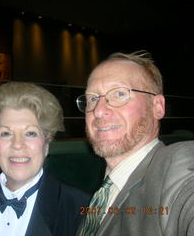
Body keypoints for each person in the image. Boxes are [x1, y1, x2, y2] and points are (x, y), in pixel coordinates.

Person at [76, 50, 194, 236]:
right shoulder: (100, 193)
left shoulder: (177, 166)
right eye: (92, 98)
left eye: (119, 94)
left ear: (157, 107)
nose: (98, 110)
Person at [0, 82, 90, 236]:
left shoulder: (80, 207)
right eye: (6, 133)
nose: (18, 145)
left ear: (46, 143)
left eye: (30, 133)